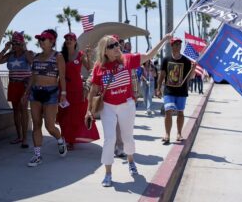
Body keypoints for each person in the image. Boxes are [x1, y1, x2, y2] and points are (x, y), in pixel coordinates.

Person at [85, 33, 171, 187]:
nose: (117, 47)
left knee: (127, 138)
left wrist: (164, 40)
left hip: (127, 105)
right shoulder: (99, 67)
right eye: (112, 46)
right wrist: (88, 110)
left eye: (117, 44)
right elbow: (93, 89)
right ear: (105, 51)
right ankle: (108, 173)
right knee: (109, 139)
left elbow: (150, 54)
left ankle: (131, 161)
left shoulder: (128, 59)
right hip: (108, 107)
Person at [23, 29, 68, 167]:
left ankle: (60, 140)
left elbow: (62, 77)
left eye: (44, 39)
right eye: (40, 39)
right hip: (35, 93)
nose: (41, 42)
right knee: (36, 125)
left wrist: (63, 94)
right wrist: (26, 93)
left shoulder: (58, 56)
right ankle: (37, 155)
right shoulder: (36, 57)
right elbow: (33, 76)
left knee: (49, 126)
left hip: (51, 93)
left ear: (52, 41)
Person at [57, 32, 100, 150]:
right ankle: (64, 136)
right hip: (63, 89)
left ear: (75, 41)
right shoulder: (61, 55)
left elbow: (90, 68)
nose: (68, 40)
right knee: (63, 115)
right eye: (66, 39)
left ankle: (71, 140)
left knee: (75, 116)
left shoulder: (80, 55)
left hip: (77, 89)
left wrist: (89, 56)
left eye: (71, 39)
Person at [0, 31, 32, 148]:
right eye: (13, 42)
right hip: (13, 85)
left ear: (22, 43)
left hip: (24, 86)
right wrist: (5, 49)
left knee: (24, 110)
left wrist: (25, 50)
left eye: (17, 43)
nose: (14, 45)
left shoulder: (27, 54)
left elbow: (33, 63)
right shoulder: (10, 55)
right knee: (15, 110)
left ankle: (25, 138)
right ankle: (19, 136)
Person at [156, 37, 196, 145]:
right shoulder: (166, 59)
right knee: (168, 112)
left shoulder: (186, 61)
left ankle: (179, 133)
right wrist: (158, 88)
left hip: (181, 91)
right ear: (171, 46)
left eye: (179, 44)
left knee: (180, 112)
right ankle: (167, 135)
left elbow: (190, 77)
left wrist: (193, 68)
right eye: (176, 44)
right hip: (169, 91)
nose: (178, 46)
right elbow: (162, 75)